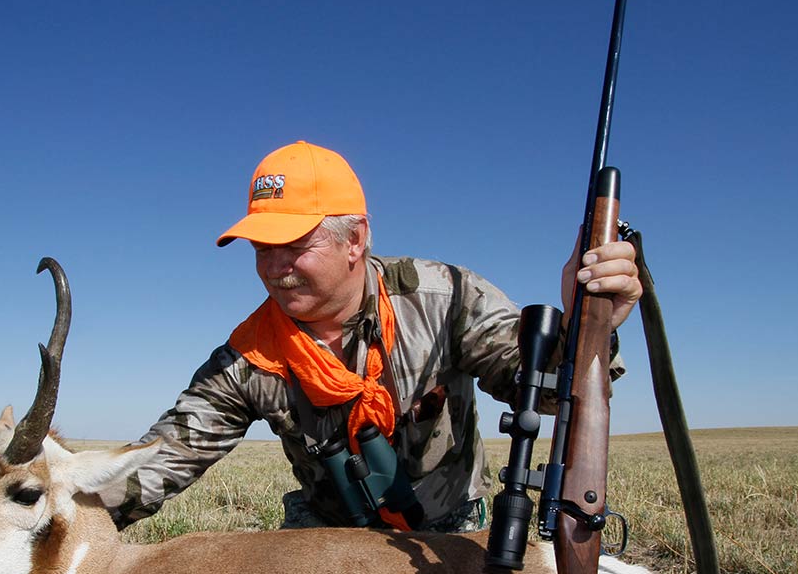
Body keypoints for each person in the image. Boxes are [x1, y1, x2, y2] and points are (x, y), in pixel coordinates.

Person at [102, 141, 643, 532]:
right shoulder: (247, 358)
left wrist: (586, 328)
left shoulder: (446, 299)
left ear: (355, 239)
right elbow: (164, 458)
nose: (274, 267)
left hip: (450, 532)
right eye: (262, 249)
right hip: (331, 539)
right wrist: (66, 505)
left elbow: (542, 388)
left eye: (294, 245)